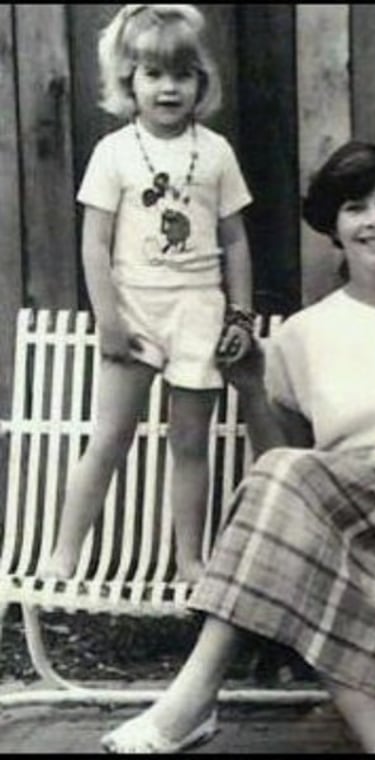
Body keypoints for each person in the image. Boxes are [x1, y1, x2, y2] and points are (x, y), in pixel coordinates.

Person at [100, 140, 375, 754]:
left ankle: (192, 700)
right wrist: (251, 383)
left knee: (296, 509)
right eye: (356, 209)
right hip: (341, 521)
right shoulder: (304, 333)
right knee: (306, 547)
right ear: (335, 225)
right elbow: (285, 461)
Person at [43, 4, 257, 583]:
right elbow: (95, 244)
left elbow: (235, 241)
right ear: (127, 81)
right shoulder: (113, 153)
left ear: (201, 82)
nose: (169, 88)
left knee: (190, 442)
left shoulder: (215, 153)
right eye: (153, 74)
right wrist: (107, 319)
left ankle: (190, 558)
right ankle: (64, 551)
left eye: (182, 74)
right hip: (135, 307)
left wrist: (239, 313)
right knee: (110, 436)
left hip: (198, 309)